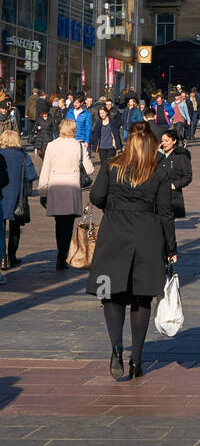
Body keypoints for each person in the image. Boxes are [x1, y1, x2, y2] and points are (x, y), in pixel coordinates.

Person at [87, 123, 177, 380]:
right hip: (147, 236)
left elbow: (96, 196)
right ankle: (136, 358)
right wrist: (171, 247)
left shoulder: (112, 165)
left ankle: (116, 346)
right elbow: (165, 212)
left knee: (111, 295)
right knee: (141, 297)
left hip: (114, 233)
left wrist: (115, 207)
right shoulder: (158, 169)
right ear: (151, 144)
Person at [37, 119, 94, 270]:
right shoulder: (79, 146)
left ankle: (60, 253)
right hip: (71, 186)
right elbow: (89, 170)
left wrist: (43, 191)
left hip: (56, 186)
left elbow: (46, 169)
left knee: (59, 223)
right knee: (68, 224)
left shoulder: (52, 145)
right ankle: (63, 254)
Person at [0, 128, 37, 269]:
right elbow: (31, 175)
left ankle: (2, 258)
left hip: (2, 195)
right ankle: (12, 256)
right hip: (17, 196)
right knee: (14, 228)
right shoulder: (23, 156)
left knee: (1, 229)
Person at [157, 128, 193, 218]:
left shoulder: (181, 156)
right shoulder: (159, 155)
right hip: (158, 196)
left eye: (166, 141)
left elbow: (187, 176)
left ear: (174, 141)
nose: (163, 143)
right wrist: (158, 153)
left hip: (172, 196)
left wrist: (174, 185)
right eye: (162, 141)